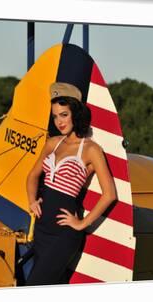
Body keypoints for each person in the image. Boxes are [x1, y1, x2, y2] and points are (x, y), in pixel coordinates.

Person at [24, 82, 117, 286]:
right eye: (55, 116)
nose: (59, 121)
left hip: (64, 235)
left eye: (64, 114)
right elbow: (32, 176)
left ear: (75, 112)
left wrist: (82, 223)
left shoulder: (91, 149)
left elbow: (110, 194)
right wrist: (32, 201)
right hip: (41, 230)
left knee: (33, 289)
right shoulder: (52, 143)